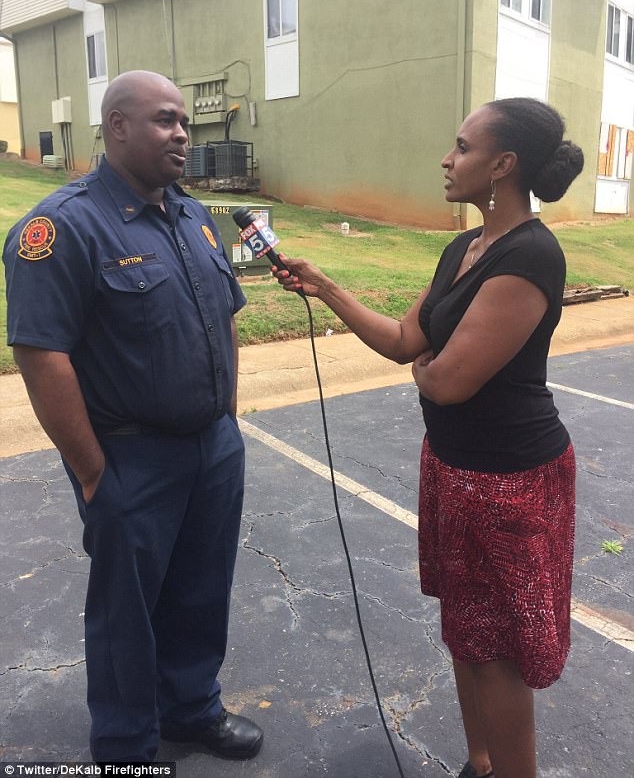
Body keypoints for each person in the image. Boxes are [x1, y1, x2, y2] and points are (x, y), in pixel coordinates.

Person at [273, 97, 583, 778]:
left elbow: (448, 383)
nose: (447, 159)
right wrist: (324, 286)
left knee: (498, 653)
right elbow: (404, 340)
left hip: (508, 482)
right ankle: (480, 762)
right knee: (466, 631)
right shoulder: (463, 250)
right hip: (452, 467)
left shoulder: (531, 255)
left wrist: (429, 369)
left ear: (502, 165)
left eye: (463, 147)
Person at [2, 70, 263, 764]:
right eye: (165, 120)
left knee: (201, 590)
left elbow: (225, 316)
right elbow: (42, 354)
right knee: (127, 612)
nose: (183, 134)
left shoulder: (192, 217)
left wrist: (226, 421)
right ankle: (127, 746)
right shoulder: (61, 227)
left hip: (211, 447)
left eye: (184, 122)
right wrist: (93, 472)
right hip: (129, 457)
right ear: (117, 126)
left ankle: (191, 708)